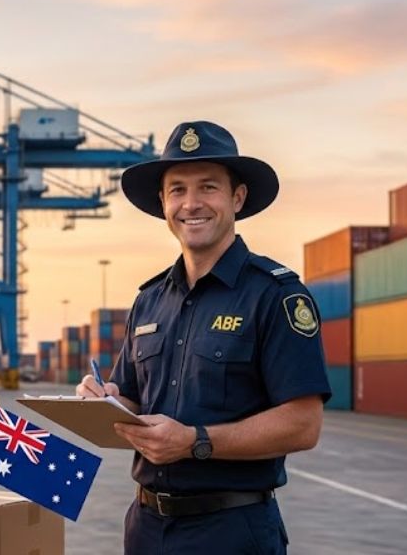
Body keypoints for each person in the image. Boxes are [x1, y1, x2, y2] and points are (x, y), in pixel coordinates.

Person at [76, 121, 331, 554]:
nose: (191, 204)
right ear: (162, 203)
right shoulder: (149, 301)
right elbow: (135, 402)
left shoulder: (274, 294)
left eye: (208, 188)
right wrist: (106, 402)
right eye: (177, 190)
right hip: (145, 529)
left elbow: (304, 424)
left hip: (231, 530)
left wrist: (195, 442)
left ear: (237, 197)